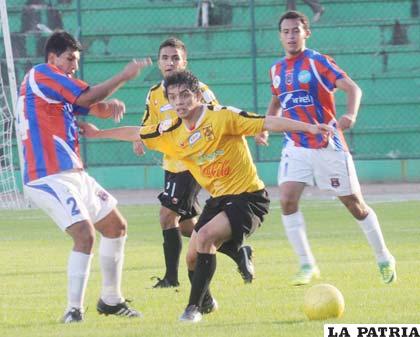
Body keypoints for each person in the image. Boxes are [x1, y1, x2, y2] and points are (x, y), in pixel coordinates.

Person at [79, 70, 332, 322]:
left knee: (206, 238)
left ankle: (192, 308)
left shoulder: (223, 116)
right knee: (191, 258)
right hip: (218, 200)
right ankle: (207, 301)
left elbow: (268, 122)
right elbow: (137, 132)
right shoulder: (171, 130)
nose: (180, 102)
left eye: (186, 95)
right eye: (174, 97)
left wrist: (310, 128)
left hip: (248, 197)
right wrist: (97, 134)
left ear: (199, 95)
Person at [16, 30, 152, 323]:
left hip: (72, 172)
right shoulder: (42, 73)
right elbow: (89, 95)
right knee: (84, 234)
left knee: (116, 226)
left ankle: (111, 300)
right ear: (53, 58)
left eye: (76, 60)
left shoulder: (53, 87)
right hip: (47, 175)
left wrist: (109, 108)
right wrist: (123, 76)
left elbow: (94, 106)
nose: (74, 66)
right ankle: (73, 310)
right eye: (70, 59)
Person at [255, 10, 396, 286]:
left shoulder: (318, 63)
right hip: (295, 145)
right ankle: (307, 264)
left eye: (296, 30)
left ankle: (383, 256)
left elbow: (353, 88)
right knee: (286, 199)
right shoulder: (276, 70)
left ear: (307, 32)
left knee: (355, 205)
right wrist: (264, 127)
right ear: (280, 36)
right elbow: (277, 99)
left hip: (327, 143)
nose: (291, 36)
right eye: (286, 31)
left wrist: (350, 115)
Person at [133, 37, 255, 288]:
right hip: (171, 164)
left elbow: (220, 119)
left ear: (185, 61)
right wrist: (139, 138)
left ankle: (171, 278)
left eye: (175, 58)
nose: (170, 62)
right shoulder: (155, 94)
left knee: (167, 217)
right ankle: (236, 250)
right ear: (158, 62)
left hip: (191, 164)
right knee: (189, 227)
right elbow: (148, 125)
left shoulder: (200, 90)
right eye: (165, 58)